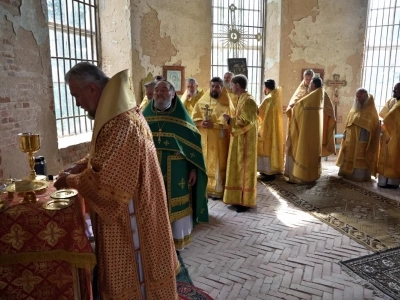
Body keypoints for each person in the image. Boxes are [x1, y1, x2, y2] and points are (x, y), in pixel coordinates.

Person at [53, 63, 179, 299]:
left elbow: (109, 186)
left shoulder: (120, 123)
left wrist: (70, 180)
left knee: (138, 277)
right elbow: (104, 155)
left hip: (131, 222)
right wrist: (80, 165)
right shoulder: (120, 114)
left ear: (91, 89)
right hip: (142, 207)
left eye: (76, 95)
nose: (76, 103)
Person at [142, 80, 209, 250]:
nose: (159, 93)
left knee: (177, 204)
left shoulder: (181, 116)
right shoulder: (145, 116)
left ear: (172, 94)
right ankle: (155, 241)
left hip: (178, 169)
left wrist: (193, 168)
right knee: (152, 204)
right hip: (152, 168)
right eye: (156, 90)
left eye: (164, 90)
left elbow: (193, 143)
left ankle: (177, 241)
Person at [192, 77, 235, 199]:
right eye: (213, 86)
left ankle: (217, 190)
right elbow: (194, 117)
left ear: (221, 88)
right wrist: (201, 123)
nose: (214, 89)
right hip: (204, 138)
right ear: (210, 86)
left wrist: (214, 125)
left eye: (217, 86)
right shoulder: (202, 101)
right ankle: (204, 188)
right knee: (204, 161)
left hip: (218, 139)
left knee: (217, 163)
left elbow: (230, 121)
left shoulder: (227, 102)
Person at [222, 75, 258, 213]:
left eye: (232, 84)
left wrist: (230, 120)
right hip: (239, 139)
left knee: (244, 169)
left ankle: (245, 202)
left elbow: (247, 121)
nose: (231, 87)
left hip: (246, 142)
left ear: (237, 85)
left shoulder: (248, 101)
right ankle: (237, 198)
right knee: (237, 167)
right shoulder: (241, 98)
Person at [284, 77, 324, 183]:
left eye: (310, 83)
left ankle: (300, 177)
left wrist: (292, 107)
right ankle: (311, 176)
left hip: (306, 132)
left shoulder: (313, 96)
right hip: (314, 133)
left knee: (301, 149)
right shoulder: (320, 95)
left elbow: (299, 106)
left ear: (314, 85)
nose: (309, 85)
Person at [336, 88, 380, 181]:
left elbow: (373, 125)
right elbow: (349, 121)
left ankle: (359, 176)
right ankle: (345, 173)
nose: (358, 98)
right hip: (350, 137)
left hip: (362, 137)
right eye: (357, 96)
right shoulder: (354, 108)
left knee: (359, 156)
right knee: (348, 154)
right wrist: (345, 132)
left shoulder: (371, 111)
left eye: (360, 96)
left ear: (366, 97)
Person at [257, 79, 284, 181]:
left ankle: (268, 172)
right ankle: (273, 168)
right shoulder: (277, 97)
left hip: (267, 129)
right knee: (272, 148)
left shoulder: (268, 99)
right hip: (275, 130)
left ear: (266, 88)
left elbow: (259, 112)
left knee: (266, 148)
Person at [377, 82, 400, 188]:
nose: (395, 91)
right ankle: (383, 181)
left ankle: (393, 182)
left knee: (394, 156)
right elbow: (383, 113)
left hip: (397, 134)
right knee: (385, 156)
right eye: (394, 89)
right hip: (387, 131)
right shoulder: (391, 101)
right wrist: (390, 119)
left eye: (397, 89)